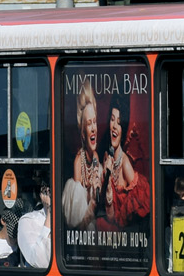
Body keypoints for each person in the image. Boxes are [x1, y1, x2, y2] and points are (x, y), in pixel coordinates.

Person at [102, 94, 150, 228]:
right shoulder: (107, 157)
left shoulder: (125, 163)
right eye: (112, 120)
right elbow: (108, 214)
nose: (114, 126)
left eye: (119, 122)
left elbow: (143, 202)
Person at [62, 82, 102, 230]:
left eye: (95, 123)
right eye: (89, 124)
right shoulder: (79, 161)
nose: (93, 129)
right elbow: (77, 222)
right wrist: (91, 202)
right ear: (83, 134)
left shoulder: (97, 157)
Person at [17, 182, 52, 269]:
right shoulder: (28, 220)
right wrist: (50, 211)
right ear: (42, 194)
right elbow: (40, 261)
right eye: (48, 190)